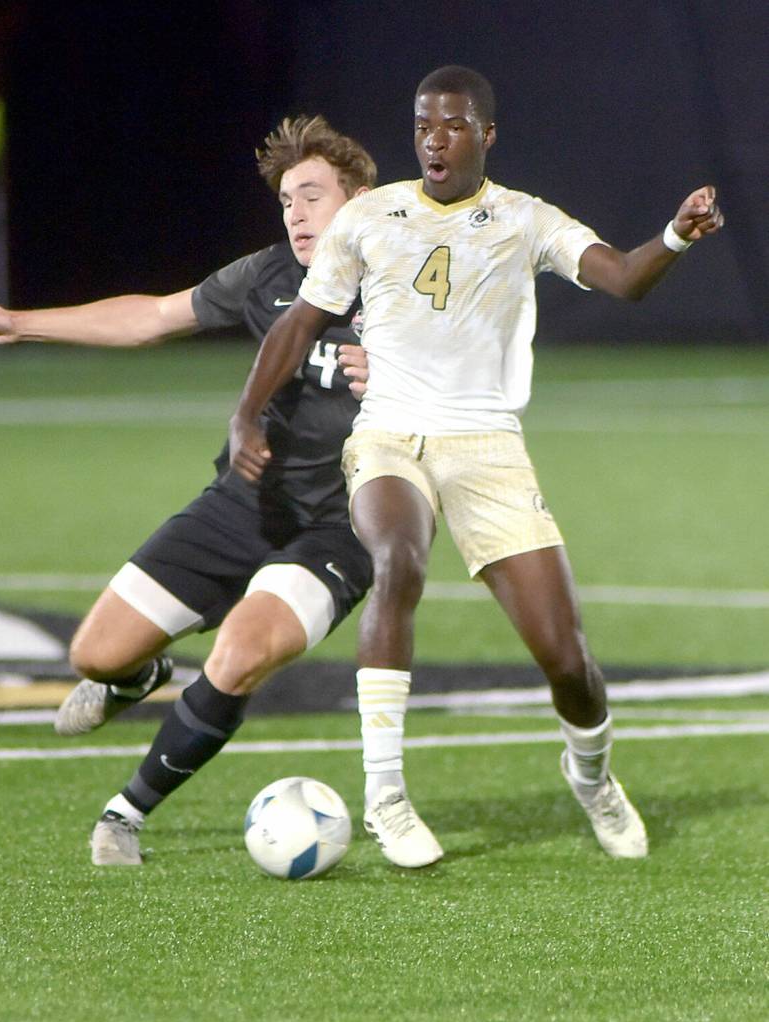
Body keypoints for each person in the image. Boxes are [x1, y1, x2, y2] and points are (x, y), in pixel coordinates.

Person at [229, 65, 725, 861]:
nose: (434, 138)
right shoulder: (369, 216)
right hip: (390, 437)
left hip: (488, 448)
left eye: (454, 124)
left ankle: (591, 775)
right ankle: (386, 795)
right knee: (397, 557)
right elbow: (299, 325)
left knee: (568, 659)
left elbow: (623, 280)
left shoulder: (524, 220)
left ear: (485, 137)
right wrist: (246, 411)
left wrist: (673, 235)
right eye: (424, 123)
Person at [0, 115, 437, 869]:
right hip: (243, 503)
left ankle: (125, 812)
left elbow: (483, 390)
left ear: (361, 199)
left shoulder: (418, 287)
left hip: (342, 529)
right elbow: (152, 317)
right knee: (95, 654)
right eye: (285, 202)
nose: (295, 214)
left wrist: (410, 376)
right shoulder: (268, 277)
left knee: (238, 654)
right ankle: (137, 677)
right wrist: (20, 323)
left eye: (311, 196)